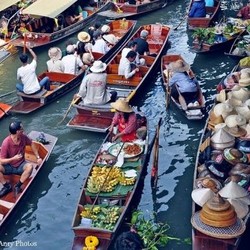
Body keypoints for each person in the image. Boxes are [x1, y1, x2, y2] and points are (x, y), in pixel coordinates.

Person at [0, 121, 42, 198]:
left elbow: (31, 143)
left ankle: (17, 186)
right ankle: (7, 186)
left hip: (21, 165)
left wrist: (38, 157)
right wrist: (13, 158)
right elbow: (1, 161)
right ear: (17, 132)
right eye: (21, 129)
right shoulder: (6, 143)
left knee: (30, 167)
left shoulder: (23, 137)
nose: (23, 129)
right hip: (9, 167)